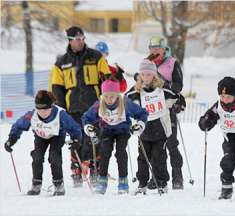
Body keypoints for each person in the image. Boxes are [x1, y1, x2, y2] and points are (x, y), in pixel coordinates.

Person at [50, 26, 111, 187]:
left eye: (83, 38)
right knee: (76, 140)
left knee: (95, 139)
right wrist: (62, 109)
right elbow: (57, 87)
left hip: (94, 107)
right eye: (77, 39)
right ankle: (76, 170)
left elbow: (107, 80)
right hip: (73, 108)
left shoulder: (96, 56)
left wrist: (106, 100)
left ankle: (95, 171)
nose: (81, 42)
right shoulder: (61, 62)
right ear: (70, 40)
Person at [3, 90, 82, 196]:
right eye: (39, 109)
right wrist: (11, 139)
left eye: (45, 109)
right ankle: (36, 185)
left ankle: (59, 185)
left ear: (51, 106)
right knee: (37, 157)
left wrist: (76, 139)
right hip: (40, 137)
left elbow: (74, 127)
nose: (42, 112)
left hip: (57, 136)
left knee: (54, 157)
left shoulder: (60, 114)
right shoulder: (32, 115)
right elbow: (19, 125)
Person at [81, 78, 148, 194]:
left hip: (123, 131)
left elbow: (142, 113)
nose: (109, 100)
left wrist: (140, 125)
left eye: (112, 96)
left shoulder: (125, 102)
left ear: (117, 95)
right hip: (107, 130)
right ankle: (102, 181)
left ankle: (123, 182)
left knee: (120, 153)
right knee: (104, 152)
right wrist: (88, 127)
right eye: (106, 96)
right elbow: (86, 117)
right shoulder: (99, 104)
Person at [126, 59, 179, 194]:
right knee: (142, 158)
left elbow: (176, 97)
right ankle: (142, 184)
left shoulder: (162, 88)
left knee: (159, 157)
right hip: (144, 130)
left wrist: (177, 105)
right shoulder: (136, 91)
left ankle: (161, 183)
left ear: (154, 75)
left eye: (149, 74)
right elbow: (125, 102)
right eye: (143, 74)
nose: (146, 77)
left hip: (161, 129)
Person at [146, 36, 185, 190]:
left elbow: (178, 86)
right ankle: (156, 177)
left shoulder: (172, 63)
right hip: (152, 109)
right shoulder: (146, 63)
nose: (154, 51)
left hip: (168, 107)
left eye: (157, 48)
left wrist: (163, 84)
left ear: (164, 49)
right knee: (154, 145)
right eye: (152, 48)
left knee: (171, 143)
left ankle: (177, 177)